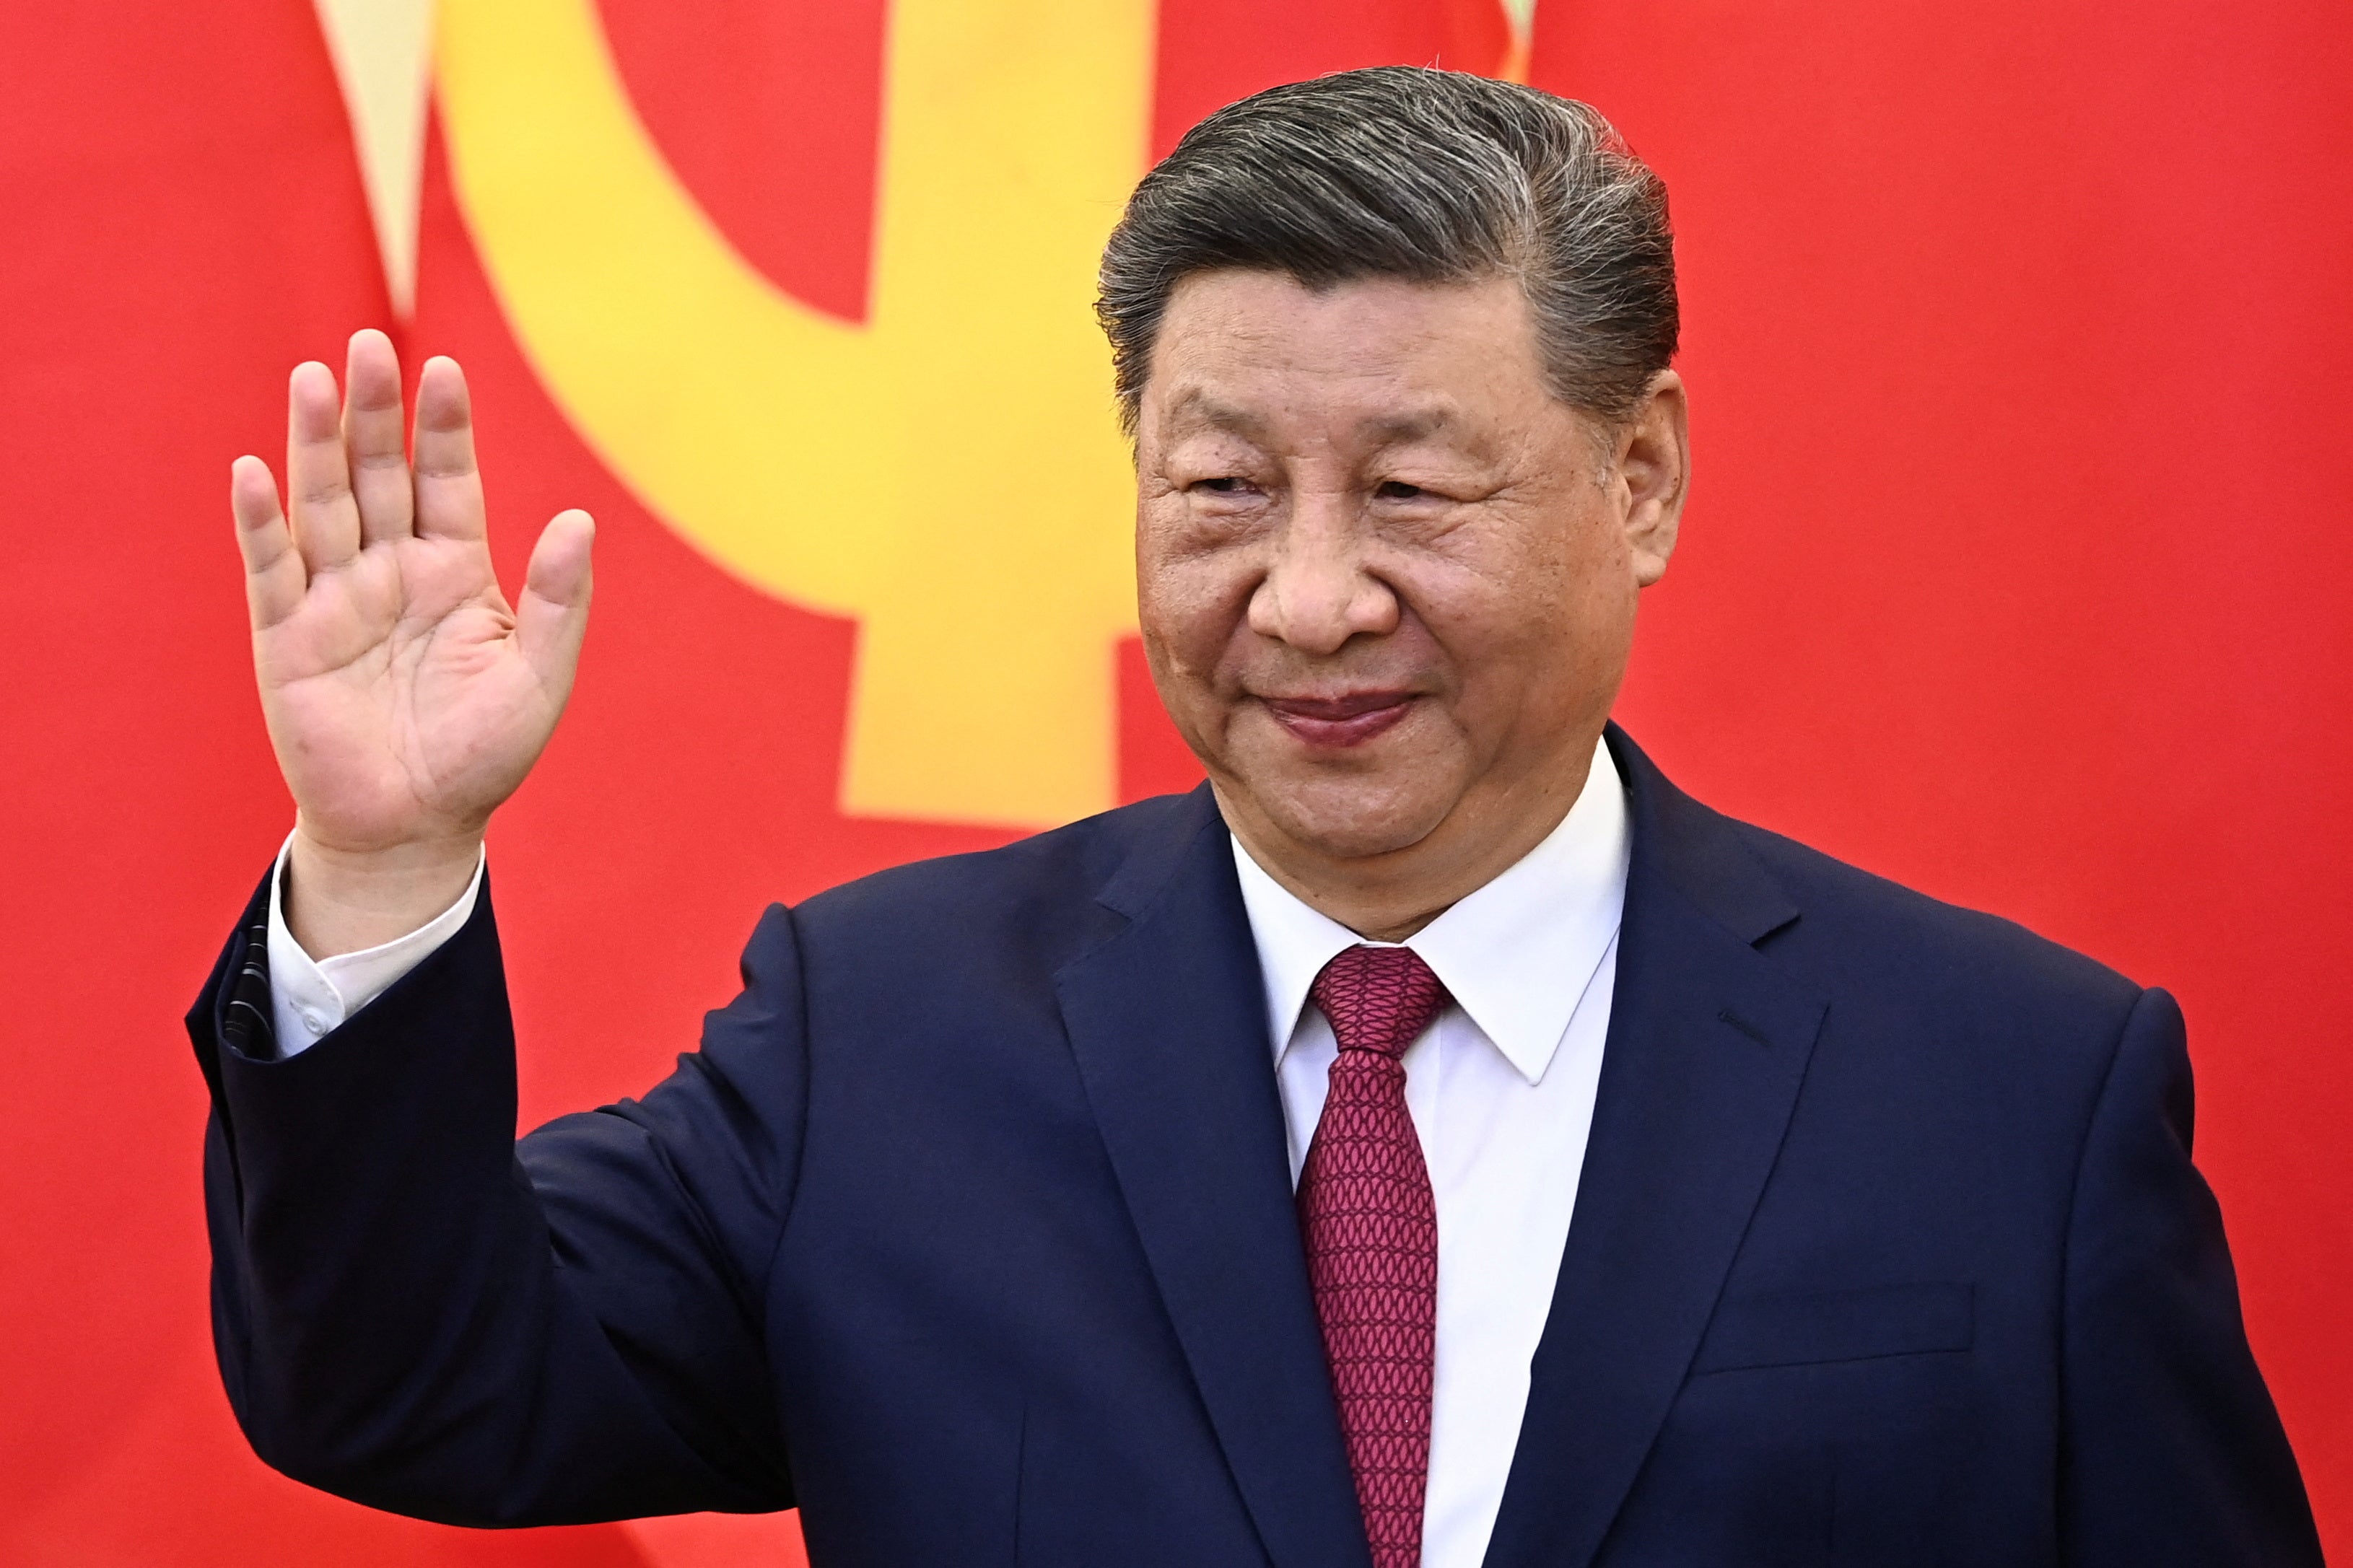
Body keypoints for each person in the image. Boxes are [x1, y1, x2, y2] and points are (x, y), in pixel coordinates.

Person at [191, 67, 2321, 1567]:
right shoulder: (884, 1037)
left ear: (1639, 477)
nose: (1305, 598)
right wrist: (382, 866)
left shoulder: (2008, 1095)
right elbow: (414, 1388)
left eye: (1410, 490)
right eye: (1219, 490)